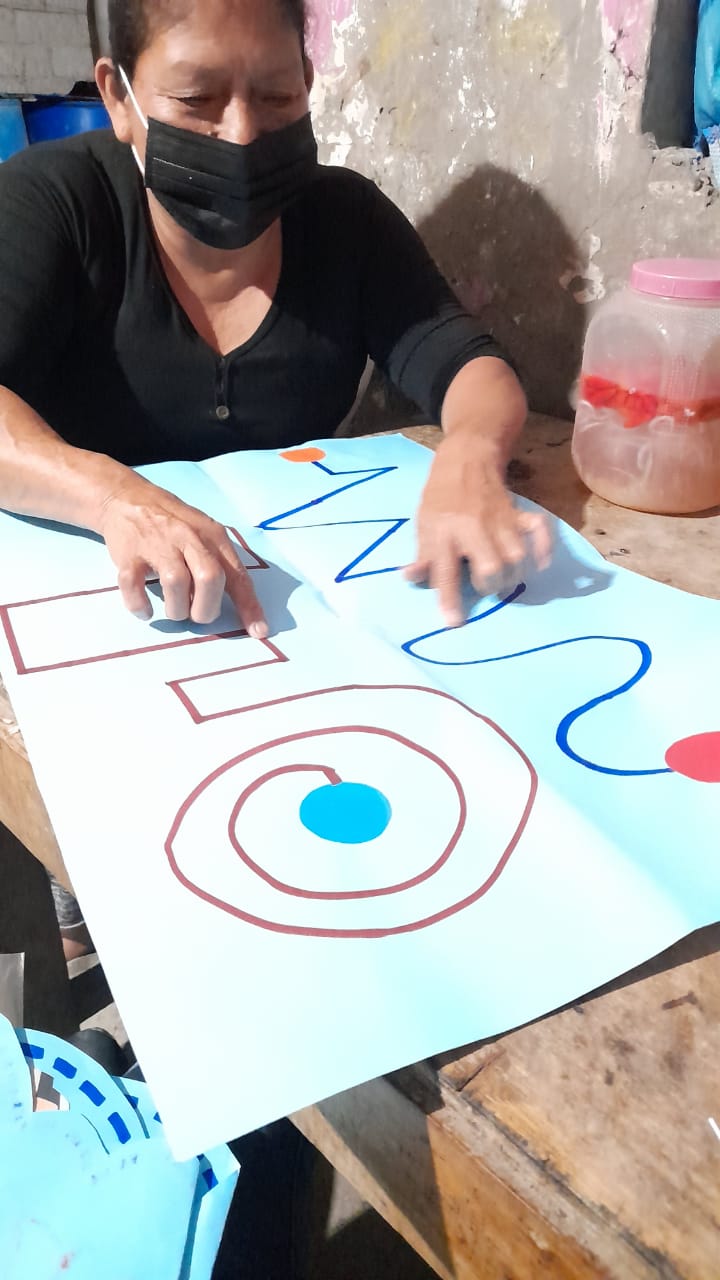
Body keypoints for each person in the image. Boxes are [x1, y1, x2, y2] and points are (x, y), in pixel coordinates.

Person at [0, 0, 549, 640]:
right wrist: (111, 497)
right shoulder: (52, 203)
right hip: (103, 615)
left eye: (276, 96)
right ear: (118, 97)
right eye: (197, 98)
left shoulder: (346, 220)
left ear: (307, 85)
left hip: (300, 623)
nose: (241, 133)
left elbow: (464, 361)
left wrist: (472, 452)